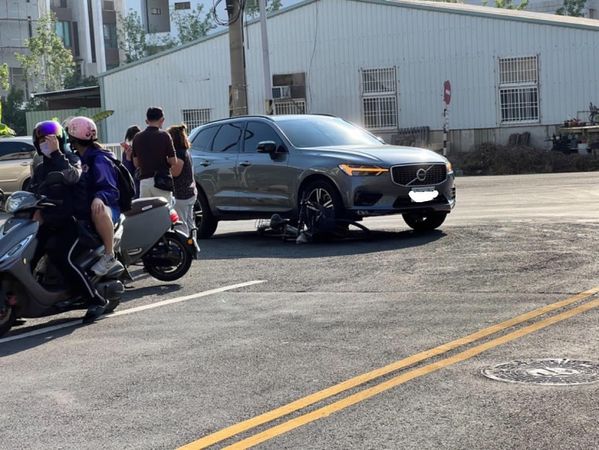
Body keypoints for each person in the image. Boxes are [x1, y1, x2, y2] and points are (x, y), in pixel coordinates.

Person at [28, 120, 108, 323]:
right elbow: (34, 191)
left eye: (50, 139)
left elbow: (73, 176)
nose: (45, 143)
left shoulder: (71, 158)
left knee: (61, 257)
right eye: (41, 140)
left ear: (60, 139)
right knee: (27, 255)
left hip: (72, 222)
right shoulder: (40, 167)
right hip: (49, 222)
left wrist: (56, 153)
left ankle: (95, 300)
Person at [66, 116, 121, 277]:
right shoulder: (77, 158)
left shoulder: (99, 159)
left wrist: (99, 197)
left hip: (109, 207)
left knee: (98, 209)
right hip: (83, 206)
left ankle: (109, 255)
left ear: (73, 139)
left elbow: (111, 190)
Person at [132, 107, 177, 204]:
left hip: (144, 182)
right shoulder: (164, 135)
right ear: (162, 120)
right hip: (161, 181)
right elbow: (173, 161)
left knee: (146, 214)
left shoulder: (137, 137)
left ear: (147, 120)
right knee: (165, 214)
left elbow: (136, 163)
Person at [167, 124, 197, 236]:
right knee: (190, 223)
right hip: (190, 192)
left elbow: (175, 172)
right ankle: (193, 246)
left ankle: (184, 247)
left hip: (181, 193)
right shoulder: (185, 151)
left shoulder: (179, 153)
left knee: (181, 224)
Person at [120, 125, 141, 198]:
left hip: (141, 181)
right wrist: (128, 157)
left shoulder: (142, 149)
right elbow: (127, 172)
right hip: (135, 183)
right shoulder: (126, 152)